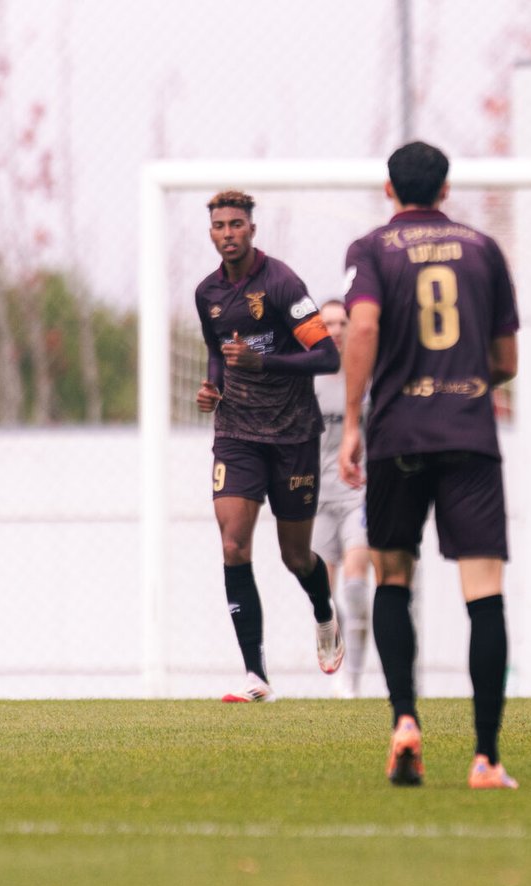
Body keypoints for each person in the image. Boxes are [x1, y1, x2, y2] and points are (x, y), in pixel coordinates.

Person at [339, 141, 520, 789]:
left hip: (397, 435)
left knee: (393, 576)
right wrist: (464, 377)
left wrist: (354, 421)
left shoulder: (370, 250)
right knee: (484, 590)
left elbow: (361, 329)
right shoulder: (482, 250)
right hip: (469, 432)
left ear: (389, 189)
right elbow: (506, 361)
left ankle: (405, 722)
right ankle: (485, 758)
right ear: (445, 191)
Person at [193, 189, 344, 703]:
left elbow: (327, 358)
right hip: (236, 433)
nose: (228, 233)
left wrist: (267, 363)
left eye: (236, 224)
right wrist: (212, 385)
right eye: (219, 226)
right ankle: (255, 674)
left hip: (293, 434)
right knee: (233, 543)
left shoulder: (281, 283)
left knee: (295, 556)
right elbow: (218, 353)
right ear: (211, 232)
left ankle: (324, 612)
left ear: (252, 229)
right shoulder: (207, 294)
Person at [311, 298, 375, 699]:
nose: (335, 330)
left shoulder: (367, 378)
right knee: (324, 597)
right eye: (328, 323)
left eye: (342, 322)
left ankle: (351, 681)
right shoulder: (308, 381)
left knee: (355, 587)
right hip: (317, 499)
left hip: (358, 495)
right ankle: (332, 644)